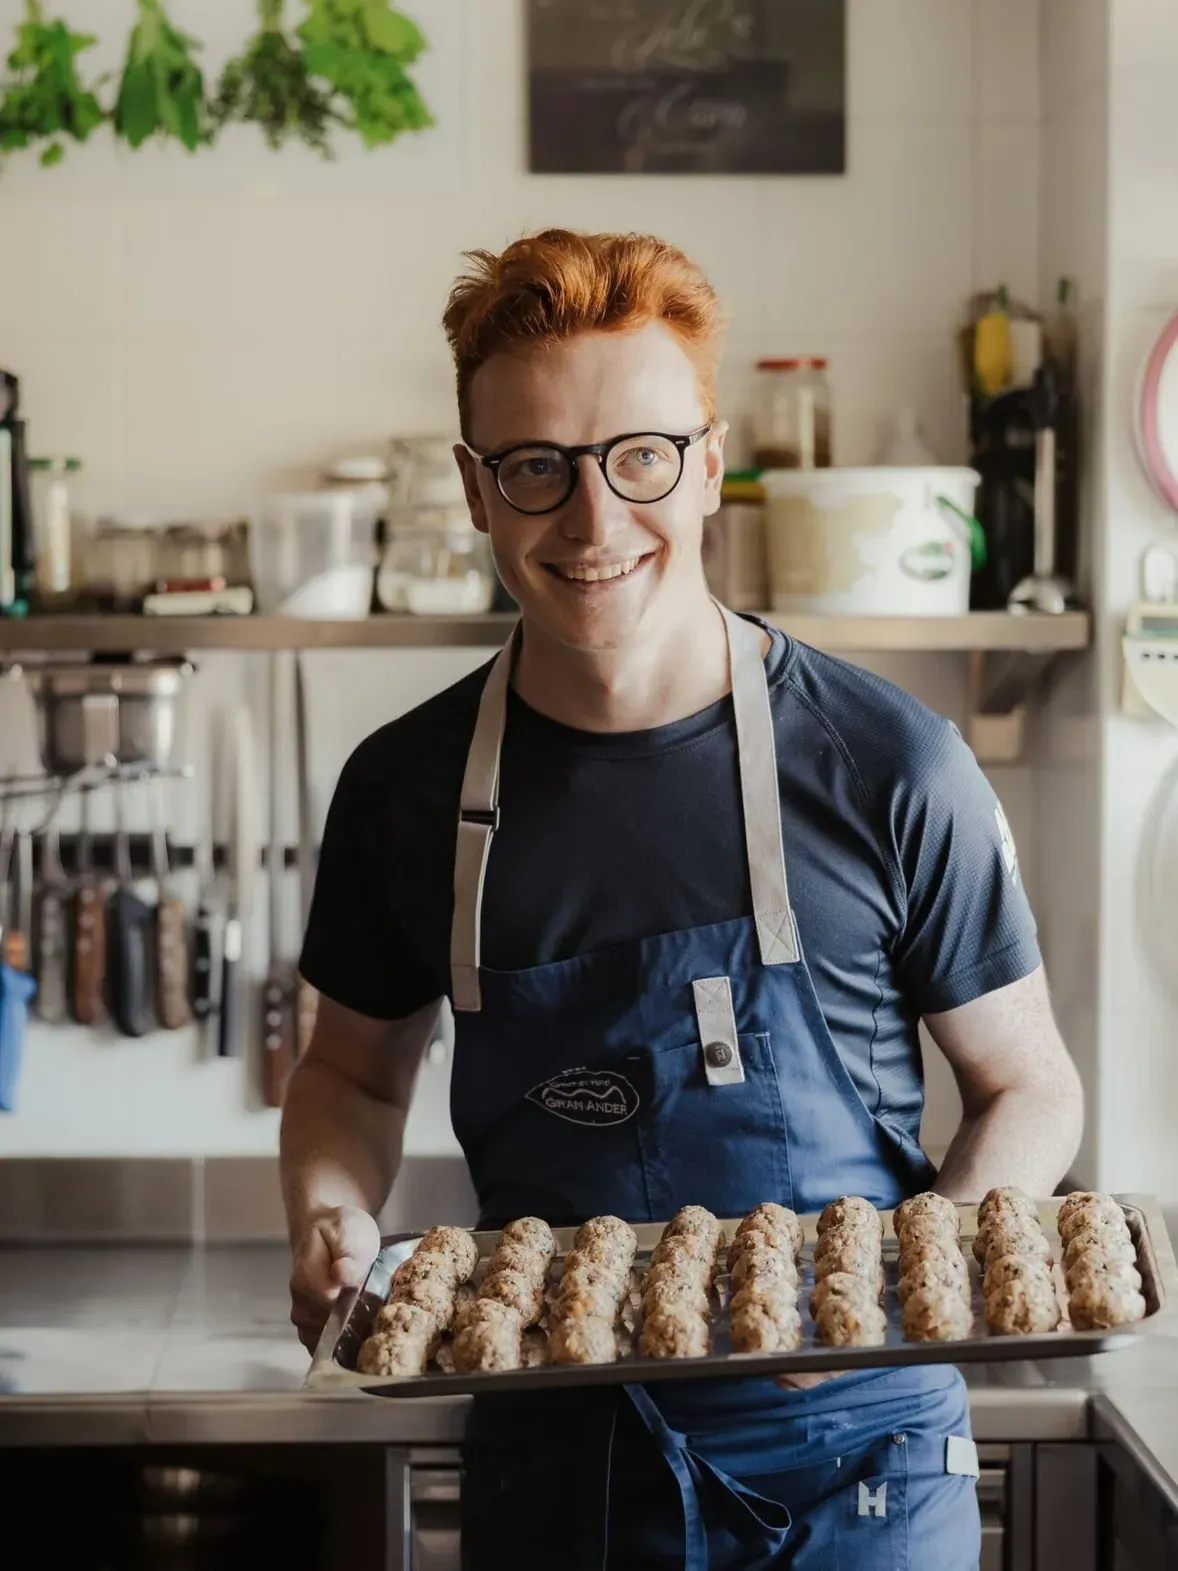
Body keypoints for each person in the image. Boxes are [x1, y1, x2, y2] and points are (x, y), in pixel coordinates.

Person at [282, 229, 1084, 1569]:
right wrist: (324, 1209)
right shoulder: (404, 788)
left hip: (864, 1479)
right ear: (477, 492)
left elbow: (1030, 1086)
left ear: (710, 464)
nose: (592, 523)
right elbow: (351, 1076)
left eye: (638, 456)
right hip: (563, 1475)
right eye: (537, 468)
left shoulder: (889, 764)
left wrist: (900, 1295)